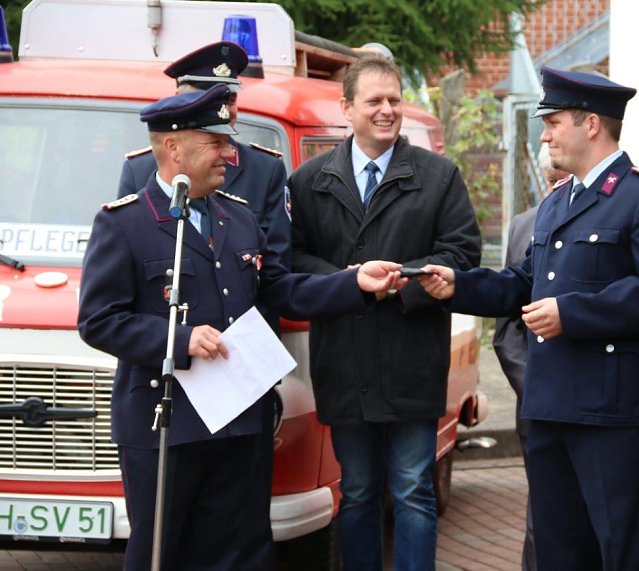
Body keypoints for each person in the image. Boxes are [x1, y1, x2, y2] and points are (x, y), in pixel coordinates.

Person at [77, 84, 405, 571]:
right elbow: (98, 320)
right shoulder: (124, 223)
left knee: (245, 553)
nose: (231, 155)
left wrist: (354, 283)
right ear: (173, 147)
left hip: (240, 420)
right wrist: (182, 339)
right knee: (164, 553)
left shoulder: (239, 215)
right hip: (166, 424)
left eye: (229, 143)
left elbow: (281, 289)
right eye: (216, 143)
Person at [418, 67, 639, 570]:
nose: (544, 134)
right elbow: (524, 282)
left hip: (612, 414)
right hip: (550, 409)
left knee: (622, 552)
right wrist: (458, 285)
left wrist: (573, 312)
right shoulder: (557, 202)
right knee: (558, 553)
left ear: (591, 124)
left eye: (554, 121)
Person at [287, 54, 481, 570]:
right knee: (357, 492)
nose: (387, 110)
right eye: (374, 101)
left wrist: (398, 284)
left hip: (411, 363)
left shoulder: (439, 176)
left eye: (394, 100)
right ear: (346, 107)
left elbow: (461, 254)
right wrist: (351, 281)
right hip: (344, 365)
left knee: (414, 490)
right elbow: (291, 261)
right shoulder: (308, 183)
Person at [115, 41, 293, 552]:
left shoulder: (247, 190)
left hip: (239, 388)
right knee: (163, 543)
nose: (228, 145)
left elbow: (273, 279)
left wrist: (353, 285)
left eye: (228, 97)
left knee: (239, 542)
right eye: (207, 99)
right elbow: (112, 306)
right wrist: (182, 338)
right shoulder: (132, 196)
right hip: (166, 398)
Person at [117, 41, 291, 269]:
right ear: (178, 97)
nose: (223, 111)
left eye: (230, 99)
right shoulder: (140, 170)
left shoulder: (265, 169)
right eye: (209, 98)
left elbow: (277, 264)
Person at [492, 142, 569, 571]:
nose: (558, 187)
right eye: (552, 180)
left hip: (587, 400)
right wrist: (538, 385)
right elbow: (506, 333)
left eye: (565, 178)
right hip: (536, 403)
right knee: (542, 515)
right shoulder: (523, 226)